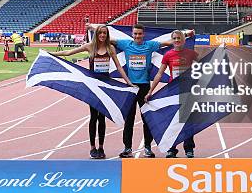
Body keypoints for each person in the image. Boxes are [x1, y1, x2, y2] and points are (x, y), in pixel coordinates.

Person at [87, 23, 193, 158]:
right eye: (135, 33)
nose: (137, 36)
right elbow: (107, 38)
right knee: (129, 120)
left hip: (144, 87)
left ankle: (148, 148)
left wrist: (186, 35)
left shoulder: (150, 45)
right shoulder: (126, 44)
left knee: (147, 119)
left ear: (143, 34)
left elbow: (169, 42)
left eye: (139, 34)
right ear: (132, 34)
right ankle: (127, 148)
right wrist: (93, 29)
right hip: (131, 87)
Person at [51, 25, 134, 159]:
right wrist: (51, 54)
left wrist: (128, 82)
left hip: (104, 86)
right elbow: (69, 53)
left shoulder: (110, 48)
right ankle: (92, 147)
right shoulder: (90, 46)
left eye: (104, 33)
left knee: (102, 118)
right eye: (100, 33)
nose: (102, 35)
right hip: (93, 86)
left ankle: (101, 147)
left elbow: (118, 66)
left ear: (107, 35)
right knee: (93, 117)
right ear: (96, 34)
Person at [146, 30, 199, 158]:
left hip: (187, 91)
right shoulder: (168, 55)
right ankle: (172, 149)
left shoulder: (192, 54)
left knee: (187, 121)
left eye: (179, 38)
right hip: (172, 92)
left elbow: (200, 70)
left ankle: (189, 148)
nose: (177, 40)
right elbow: (159, 73)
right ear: (172, 40)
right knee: (172, 121)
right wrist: (150, 91)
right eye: (174, 38)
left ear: (183, 40)